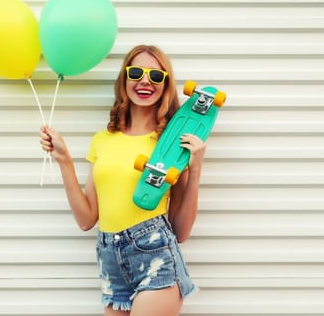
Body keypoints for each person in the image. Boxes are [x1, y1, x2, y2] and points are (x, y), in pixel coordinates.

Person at [39, 45, 206, 315]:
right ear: (124, 79)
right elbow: (86, 219)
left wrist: (195, 170)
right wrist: (64, 160)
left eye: (155, 76)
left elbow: (182, 231)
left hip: (156, 259)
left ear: (165, 85)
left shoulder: (171, 144)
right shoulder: (103, 140)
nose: (144, 81)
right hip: (110, 262)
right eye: (136, 72)